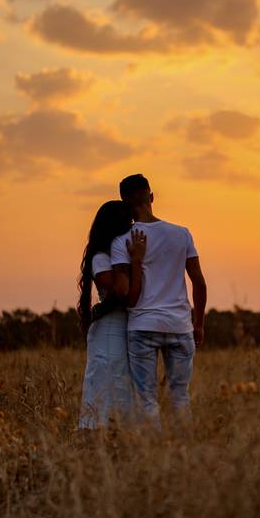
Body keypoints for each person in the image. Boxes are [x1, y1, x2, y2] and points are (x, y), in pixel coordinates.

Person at [111, 174, 207, 430]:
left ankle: (153, 448)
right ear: (151, 197)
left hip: (142, 325)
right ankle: (184, 447)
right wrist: (198, 324)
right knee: (180, 395)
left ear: (124, 203)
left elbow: (125, 293)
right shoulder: (181, 234)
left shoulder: (122, 241)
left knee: (147, 397)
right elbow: (199, 283)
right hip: (180, 326)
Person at [76, 200, 147, 429]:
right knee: (107, 381)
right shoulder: (101, 258)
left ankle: (117, 433)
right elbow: (120, 293)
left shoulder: (120, 255)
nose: (132, 226)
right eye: (127, 222)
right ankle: (100, 433)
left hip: (123, 325)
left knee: (120, 382)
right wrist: (135, 262)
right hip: (109, 329)